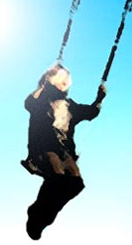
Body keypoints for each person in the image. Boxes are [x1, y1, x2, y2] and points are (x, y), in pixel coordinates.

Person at [21, 63, 106, 240]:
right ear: (50, 80)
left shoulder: (69, 105)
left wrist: (100, 98)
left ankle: (43, 216)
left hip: (64, 150)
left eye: (66, 81)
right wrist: (42, 86)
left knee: (75, 182)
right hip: (42, 147)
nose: (64, 83)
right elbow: (28, 104)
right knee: (57, 172)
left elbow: (90, 113)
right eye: (60, 80)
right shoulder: (41, 100)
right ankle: (37, 215)